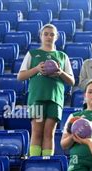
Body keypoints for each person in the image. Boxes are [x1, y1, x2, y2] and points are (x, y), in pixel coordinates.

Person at [17, 24, 75, 157]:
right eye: (46, 34)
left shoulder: (62, 56)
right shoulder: (33, 54)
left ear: (57, 37)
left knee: (49, 133)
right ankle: (34, 162)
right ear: (41, 36)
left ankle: (46, 162)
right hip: (37, 97)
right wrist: (36, 69)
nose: (49, 37)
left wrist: (60, 72)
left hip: (55, 98)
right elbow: (20, 76)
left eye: (52, 34)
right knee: (37, 131)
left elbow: (71, 81)